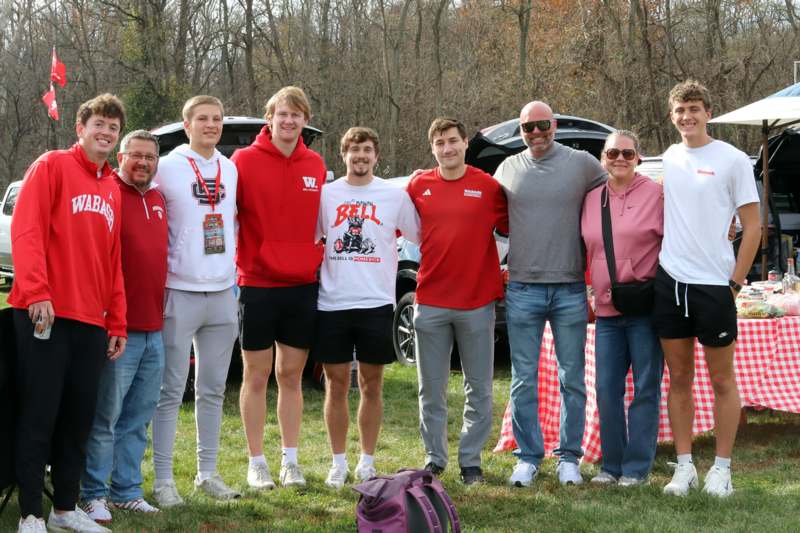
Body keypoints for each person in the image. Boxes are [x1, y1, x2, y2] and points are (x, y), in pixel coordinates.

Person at [11, 94, 127, 533]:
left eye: (113, 127)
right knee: (39, 414)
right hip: (46, 315)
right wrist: (38, 291)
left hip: (91, 322)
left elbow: (112, 260)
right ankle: (29, 514)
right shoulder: (52, 165)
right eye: (98, 123)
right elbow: (27, 230)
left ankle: (63, 508)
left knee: (78, 419)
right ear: (80, 128)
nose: (105, 132)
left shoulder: (112, 187)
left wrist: (117, 320)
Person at [656, 80, 760, 497]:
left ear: (708, 112)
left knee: (721, 381)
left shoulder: (733, 160)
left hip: (715, 285)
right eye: (680, 110)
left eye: (695, 108)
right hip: (670, 281)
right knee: (678, 378)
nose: (687, 117)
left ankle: (721, 469)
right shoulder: (669, 156)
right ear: (672, 115)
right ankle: (684, 468)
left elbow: (752, 227)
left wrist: (734, 283)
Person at [494, 101, 606, 487]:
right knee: (523, 378)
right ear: (521, 132)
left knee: (572, 377)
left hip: (570, 288)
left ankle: (569, 458)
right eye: (529, 128)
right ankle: (527, 457)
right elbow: (488, 223)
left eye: (543, 125)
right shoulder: (507, 169)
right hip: (522, 287)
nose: (537, 133)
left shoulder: (583, 165)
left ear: (554, 125)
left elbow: (620, 197)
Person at [312, 127, 419, 489]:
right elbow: (310, 239)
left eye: (368, 150)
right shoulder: (326, 195)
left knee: (371, 385)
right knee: (336, 385)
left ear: (377, 156)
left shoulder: (394, 195)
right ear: (343, 154)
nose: (361, 156)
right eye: (354, 150)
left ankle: (367, 462)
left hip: (376, 303)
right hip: (333, 303)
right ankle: (338, 462)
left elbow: (423, 235)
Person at [232, 86, 326, 489]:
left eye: (296, 115)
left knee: (291, 375)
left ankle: (290, 461)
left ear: (305, 121)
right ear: (269, 118)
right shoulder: (243, 161)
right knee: (256, 374)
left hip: (301, 284)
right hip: (256, 283)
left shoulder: (316, 164)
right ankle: (257, 462)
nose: (289, 121)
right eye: (282, 114)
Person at [406, 117, 508, 485]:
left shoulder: (488, 187)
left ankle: (470, 461)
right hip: (430, 300)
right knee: (430, 388)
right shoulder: (418, 185)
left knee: (478, 387)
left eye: (452, 141)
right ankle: (434, 458)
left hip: (477, 302)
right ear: (432, 148)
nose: (447, 148)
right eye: (439, 143)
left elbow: (513, 226)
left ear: (465, 143)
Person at [151, 95, 240, 506]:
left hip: (222, 292)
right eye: (202, 118)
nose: (211, 125)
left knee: (213, 389)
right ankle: (164, 480)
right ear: (186, 124)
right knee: (170, 390)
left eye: (217, 119)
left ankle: (207, 473)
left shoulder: (230, 167)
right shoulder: (167, 166)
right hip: (178, 290)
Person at [80, 130, 167, 523]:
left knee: (138, 417)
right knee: (106, 417)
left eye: (150, 157)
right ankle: (91, 493)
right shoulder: (108, 192)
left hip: (154, 327)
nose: (144, 163)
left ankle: (126, 490)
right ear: (120, 157)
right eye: (136, 156)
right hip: (118, 329)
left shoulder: (159, 198)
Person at [580, 130, 664, 487]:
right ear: (603, 157)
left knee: (646, 387)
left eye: (627, 153)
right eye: (613, 152)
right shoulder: (591, 199)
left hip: (645, 307)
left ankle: (636, 468)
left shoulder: (657, 193)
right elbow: (587, 250)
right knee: (606, 388)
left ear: (638, 158)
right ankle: (611, 465)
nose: (620, 159)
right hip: (606, 311)